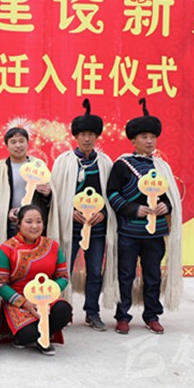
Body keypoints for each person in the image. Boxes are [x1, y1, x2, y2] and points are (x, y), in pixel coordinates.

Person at [107, 98, 183, 335]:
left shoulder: (162, 167)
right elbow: (112, 193)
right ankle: (122, 316)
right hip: (129, 231)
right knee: (126, 275)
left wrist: (165, 206)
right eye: (144, 137)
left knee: (153, 276)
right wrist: (133, 209)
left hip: (155, 232)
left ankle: (152, 315)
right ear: (133, 141)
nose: (149, 141)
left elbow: (170, 196)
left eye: (152, 137)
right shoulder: (122, 165)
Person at [49, 99, 117, 331]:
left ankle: (92, 312)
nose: (87, 139)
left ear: (97, 137)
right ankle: (61, 310)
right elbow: (56, 195)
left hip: (97, 228)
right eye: (82, 134)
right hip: (71, 227)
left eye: (91, 135)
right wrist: (69, 212)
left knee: (95, 271)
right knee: (63, 270)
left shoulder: (105, 163)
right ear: (76, 137)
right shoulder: (64, 162)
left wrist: (104, 213)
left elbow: (111, 193)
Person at [0, 205, 72, 356]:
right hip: (19, 301)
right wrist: (25, 303)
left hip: (46, 298)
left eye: (38, 221)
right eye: (29, 222)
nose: (35, 226)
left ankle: (44, 337)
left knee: (63, 310)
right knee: (27, 335)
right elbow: (0, 283)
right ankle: (28, 336)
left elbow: (62, 276)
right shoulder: (7, 249)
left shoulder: (52, 246)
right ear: (18, 223)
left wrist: (48, 295)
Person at [0, 127, 52, 250]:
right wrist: (6, 212)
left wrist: (48, 194)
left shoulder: (38, 166)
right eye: (13, 142)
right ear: (7, 146)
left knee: (35, 256)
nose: (18, 145)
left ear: (27, 143)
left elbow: (50, 199)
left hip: (34, 225)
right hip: (11, 224)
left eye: (21, 141)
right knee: (11, 256)